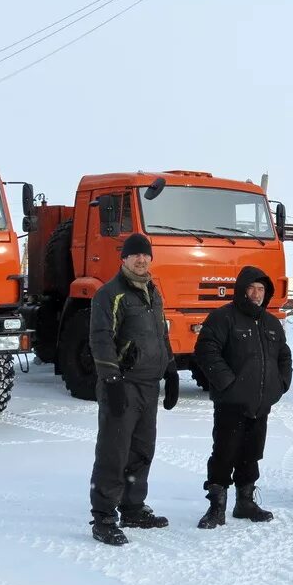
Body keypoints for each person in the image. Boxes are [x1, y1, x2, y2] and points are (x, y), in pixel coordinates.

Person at [88, 233, 179, 546]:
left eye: (145, 255)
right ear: (123, 259)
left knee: (142, 449)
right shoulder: (110, 294)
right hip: (123, 385)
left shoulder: (153, 291)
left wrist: (170, 367)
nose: (142, 260)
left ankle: (132, 507)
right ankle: (103, 517)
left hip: (148, 385)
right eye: (135, 255)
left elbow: (160, 332)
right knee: (114, 451)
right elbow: (100, 339)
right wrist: (111, 380)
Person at [193, 266, 292, 528]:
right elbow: (206, 350)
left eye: (261, 289)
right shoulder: (223, 318)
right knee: (224, 453)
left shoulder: (270, 322)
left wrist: (280, 384)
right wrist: (227, 383)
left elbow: (284, 355)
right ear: (241, 290)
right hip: (231, 403)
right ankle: (216, 506)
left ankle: (245, 502)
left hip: (261, 403)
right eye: (252, 288)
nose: (256, 294)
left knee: (251, 453)